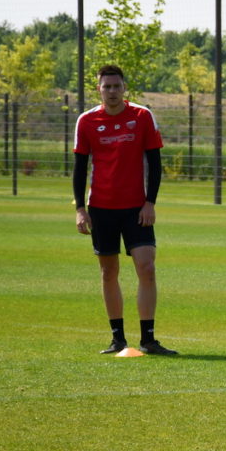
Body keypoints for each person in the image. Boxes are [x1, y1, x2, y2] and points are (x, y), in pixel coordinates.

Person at [73, 64, 177, 356]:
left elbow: (155, 164)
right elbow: (79, 169)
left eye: (117, 86)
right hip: (101, 208)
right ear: (99, 89)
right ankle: (117, 338)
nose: (112, 91)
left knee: (147, 267)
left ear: (124, 88)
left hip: (136, 208)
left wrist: (150, 202)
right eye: (107, 87)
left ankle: (148, 339)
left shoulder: (142, 116)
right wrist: (81, 209)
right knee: (109, 272)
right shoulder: (87, 121)